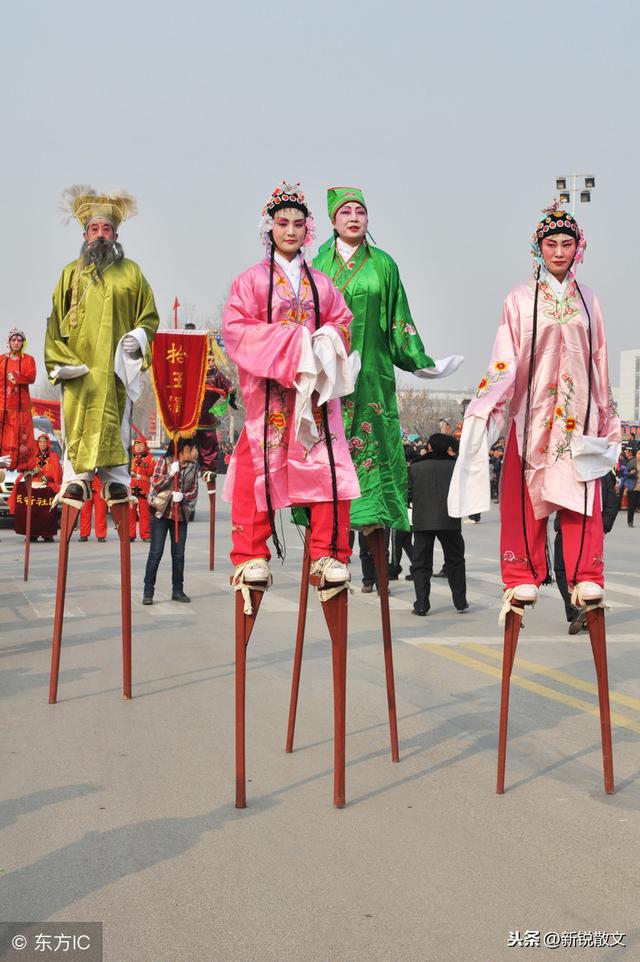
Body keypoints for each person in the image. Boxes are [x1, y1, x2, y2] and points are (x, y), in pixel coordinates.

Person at [449, 202, 621, 617]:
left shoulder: (589, 299)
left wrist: (606, 414)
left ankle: (586, 574)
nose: (558, 251)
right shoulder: (520, 298)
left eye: (566, 243)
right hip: (532, 410)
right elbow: (505, 355)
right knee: (525, 491)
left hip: (577, 414)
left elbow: (599, 358)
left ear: (578, 249)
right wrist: (488, 402)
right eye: (551, 243)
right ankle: (521, 574)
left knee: (580, 491)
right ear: (538, 249)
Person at [312, 186, 462, 579]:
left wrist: (419, 361)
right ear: (332, 220)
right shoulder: (317, 265)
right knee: (328, 444)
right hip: (328, 375)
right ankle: (328, 526)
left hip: (373, 374)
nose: (354, 217)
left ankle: (372, 515)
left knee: (373, 442)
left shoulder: (384, 265)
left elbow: (399, 318)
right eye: (345, 211)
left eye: (360, 210)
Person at [222, 182, 360, 594]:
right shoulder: (250, 281)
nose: (291, 231)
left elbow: (343, 321)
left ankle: (328, 553)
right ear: (270, 229)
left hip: (314, 393)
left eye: (299, 224)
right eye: (283, 223)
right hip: (269, 393)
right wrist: (292, 343)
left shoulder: (321, 283)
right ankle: (250, 555)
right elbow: (235, 330)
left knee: (330, 467)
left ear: (308, 230)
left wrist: (327, 341)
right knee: (255, 464)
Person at [45, 187, 159, 509]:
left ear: (115, 234)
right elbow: (54, 322)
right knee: (77, 418)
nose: (100, 234)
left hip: (114, 368)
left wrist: (137, 338)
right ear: (85, 234)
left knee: (116, 418)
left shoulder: (132, 273)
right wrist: (59, 361)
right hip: (80, 369)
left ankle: (116, 481)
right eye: (94, 229)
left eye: (105, 229)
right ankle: (76, 479)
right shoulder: (70, 273)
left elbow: (148, 317)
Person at [409, 433, 468, 615]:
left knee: (421, 564)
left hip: (423, 521)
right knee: (455, 561)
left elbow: (408, 495)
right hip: (450, 520)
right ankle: (460, 601)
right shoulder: (456, 467)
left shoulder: (415, 467)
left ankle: (421, 604)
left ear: (430, 447)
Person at [555, 470, 620, 633]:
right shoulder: (602, 471)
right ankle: (586, 610)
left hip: (570, 529)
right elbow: (612, 501)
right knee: (587, 572)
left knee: (563, 570)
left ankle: (577, 610)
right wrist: (602, 527)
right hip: (590, 531)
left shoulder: (566, 467)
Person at [142, 437, 199, 604]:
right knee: (156, 553)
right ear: (183, 449)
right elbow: (156, 484)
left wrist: (183, 496)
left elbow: (194, 490)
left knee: (179, 555)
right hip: (161, 514)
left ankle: (178, 590)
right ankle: (148, 591)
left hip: (180, 516)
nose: (196, 452)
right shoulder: (164, 461)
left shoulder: (193, 467)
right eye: (193, 448)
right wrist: (171, 474)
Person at [8, 431, 62, 541]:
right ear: (38, 443)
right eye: (40, 442)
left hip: (47, 486)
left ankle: (47, 534)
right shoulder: (32, 455)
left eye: (44, 442)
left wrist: (48, 478)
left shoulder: (53, 456)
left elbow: (57, 473)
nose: (42, 444)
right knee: (31, 511)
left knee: (48, 511)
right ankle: (32, 534)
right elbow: (25, 468)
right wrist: (32, 471)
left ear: (48, 444)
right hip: (33, 485)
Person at [0, 328, 38, 470]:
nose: (16, 342)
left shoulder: (28, 360)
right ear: (8, 342)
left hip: (22, 408)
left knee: (22, 439)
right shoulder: (1, 360)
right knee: (4, 438)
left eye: (19, 340)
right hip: (3, 406)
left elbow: (32, 377)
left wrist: (16, 377)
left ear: (23, 343)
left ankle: (24, 467)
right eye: (13, 340)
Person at [196, 358, 235, 482]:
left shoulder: (217, 375)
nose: (210, 363)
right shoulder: (196, 371)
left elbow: (228, 385)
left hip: (207, 421)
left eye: (213, 360)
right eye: (207, 360)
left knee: (210, 455)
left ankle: (209, 473)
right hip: (191, 420)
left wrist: (231, 389)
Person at [129, 436, 155, 542]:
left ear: (145, 446)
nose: (139, 448)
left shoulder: (149, 457)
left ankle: (145, 535)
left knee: (145, 514)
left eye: (141, 445)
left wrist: (144, 464)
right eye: (137, 445)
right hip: (131, 487)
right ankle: (130, 535)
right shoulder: (129, 457)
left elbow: (152, 472)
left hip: (143, 489)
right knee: (130, 513)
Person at [79, 475, 108, 542]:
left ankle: (101, 535)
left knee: (101, 512)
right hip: (86, 485)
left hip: (99, 485)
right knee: (84, 512)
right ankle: (84, 534)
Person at [622, 447, 639, 526]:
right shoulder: (632, 462)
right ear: (636, 454)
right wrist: (631, 473)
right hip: (633, 487)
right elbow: (625, 474)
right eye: (639, 454)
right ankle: (630, 521)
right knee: (632, 505)